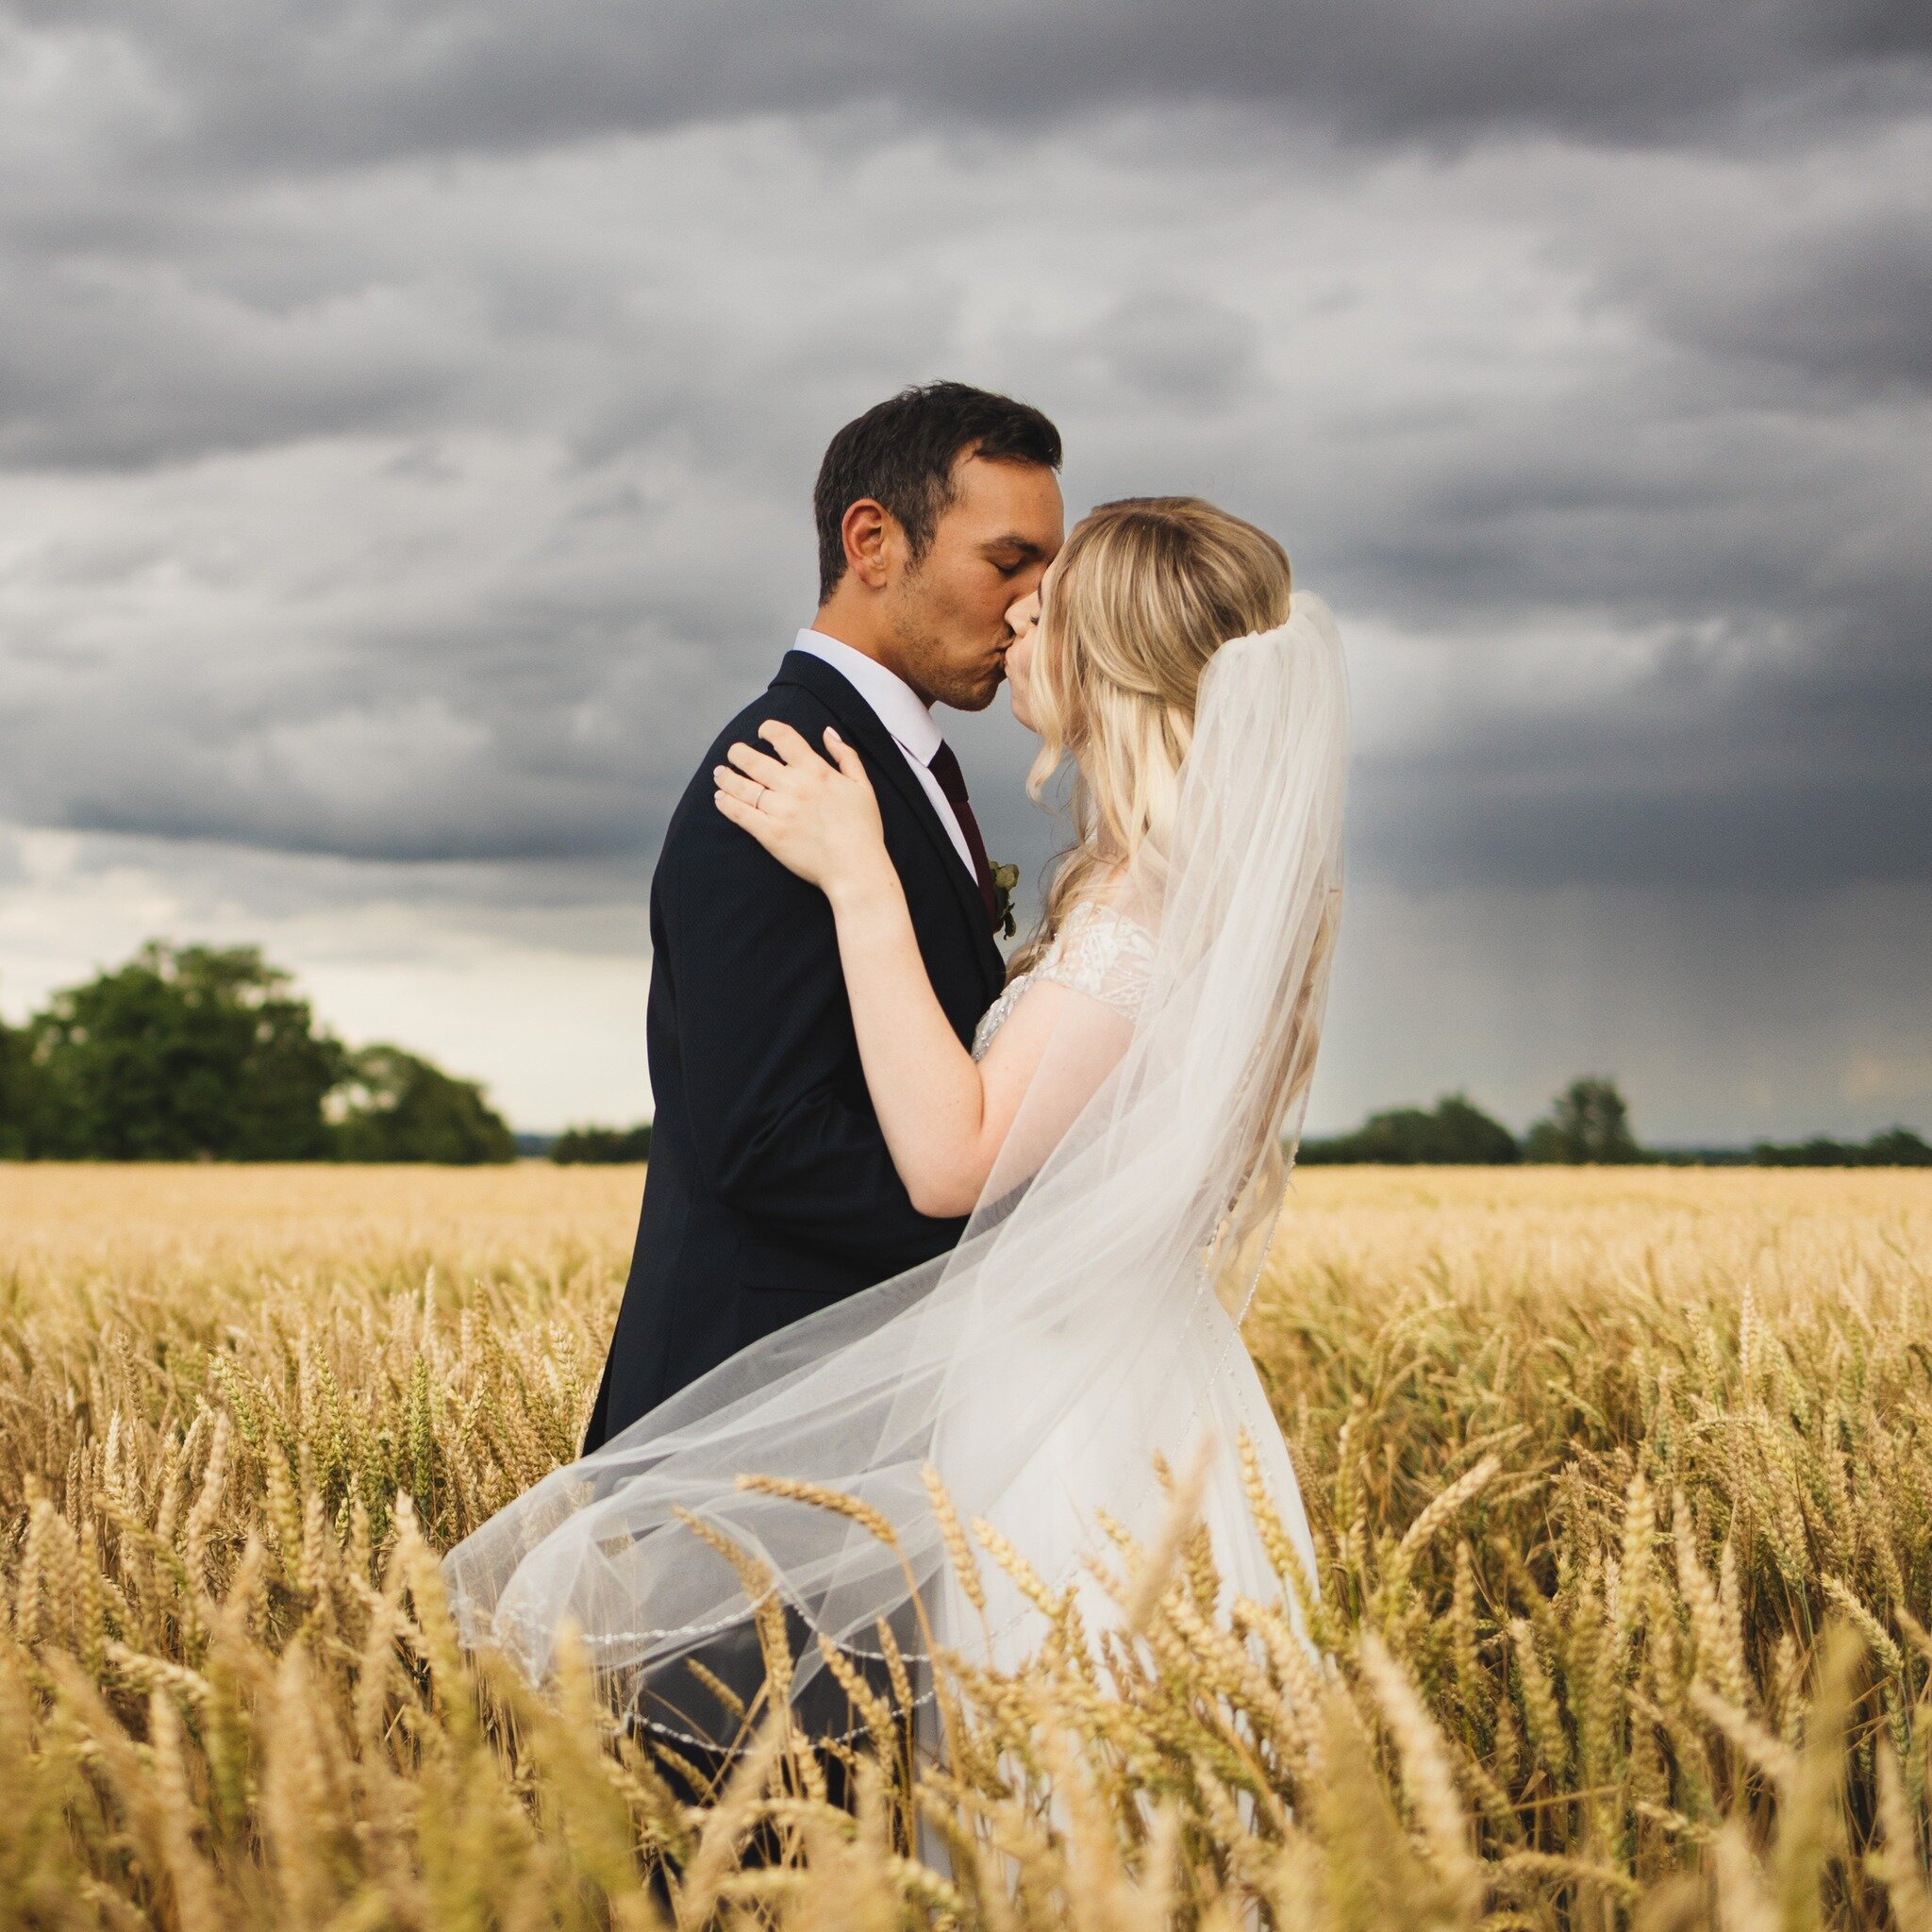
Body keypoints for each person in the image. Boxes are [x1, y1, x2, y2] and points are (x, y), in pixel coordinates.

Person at [442, 491, 1348, 1760]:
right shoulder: (1176, 890)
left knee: (1056, 1770)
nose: (1016, 629)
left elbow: (949, 1160)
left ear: (1115, 664)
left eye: (1046, 612)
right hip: (1109, 1373)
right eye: (1015, 588)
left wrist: (863, 878)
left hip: (1069, 1408)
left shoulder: (1144, 912)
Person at [577, 381, 1064, 1455]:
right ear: (872, 541)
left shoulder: (887, 763)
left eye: (1049, 571)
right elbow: (767, 1136)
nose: (1035, 607)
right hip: (749, 1416)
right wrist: (1025, 1238)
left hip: (849, 1409)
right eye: (1007, 563)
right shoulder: (780, 768)